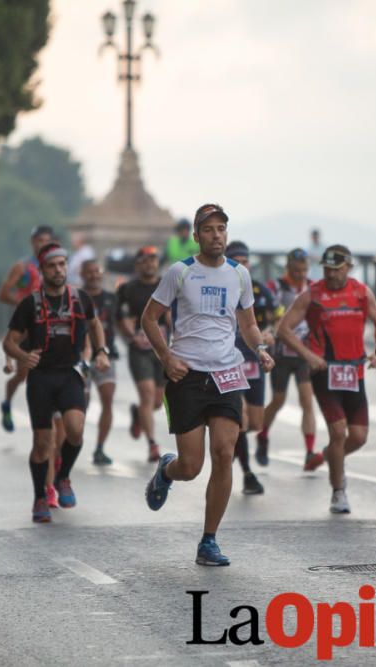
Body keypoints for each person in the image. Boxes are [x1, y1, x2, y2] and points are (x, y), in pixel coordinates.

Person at [142, 203, 274, 566]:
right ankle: (167, 470)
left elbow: (246, 324)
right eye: (209, 229)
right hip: (186, 375)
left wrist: (259, 348)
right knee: (191, 467)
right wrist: (166, 358)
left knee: (224, 452)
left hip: (228, 374)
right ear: (197, 236)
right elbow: (149, 319)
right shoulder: (180, 273)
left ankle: (209, 540)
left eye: (222, 229)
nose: (217, 235)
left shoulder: (239, 274)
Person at [276, 244, 376, 513]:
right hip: (324, 373)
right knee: (338, 432)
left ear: (348, 268)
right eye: (326, 269)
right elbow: (284, 330)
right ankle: (339, 491)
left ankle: (327, 456)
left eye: (336, 269)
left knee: (359, 437)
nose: (331, 274)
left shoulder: (361, 292)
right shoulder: (312, 295)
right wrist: (308, 356)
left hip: (353, 372)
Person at [3, 243, 110, 522]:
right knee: (42, 443)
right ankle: (40, 495)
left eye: (62, 264)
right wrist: (23, 356)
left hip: (70, 374)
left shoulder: (80, 298)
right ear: (42, 270)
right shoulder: (30, 304)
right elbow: (9, 342)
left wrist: (101, 351)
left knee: (75, 431)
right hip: (41, 378)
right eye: (52, 266)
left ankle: (63, 477)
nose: (58, 270)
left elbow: (95, 323)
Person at [257, 248, 316, 468]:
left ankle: (310, 451)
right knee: (278, 401)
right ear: (288, 268)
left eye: (304, 270)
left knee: (307, 400)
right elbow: (266, 313)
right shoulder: (276, 287)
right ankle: (262, 436)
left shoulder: (312, 287)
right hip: (281, 353)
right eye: (296, 270)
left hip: (303, 352)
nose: (301, 274)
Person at [226, 241, 277, 495]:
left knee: (256, 422)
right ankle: (247, 474)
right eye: (236, 262)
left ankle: (233, 451)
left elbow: (277, 316)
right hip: (229, 359)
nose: (242, 267)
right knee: (241, 420)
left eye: (245, 262)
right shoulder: (221, 285)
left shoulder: (258, 288)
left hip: (254, 359)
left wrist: (270, 334)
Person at [0, 225, 56, 432]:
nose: (42, 245)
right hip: (26, 329)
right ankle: (7, 402)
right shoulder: (22, 267)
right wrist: (24, 303)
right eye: (38, 241)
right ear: (32, 243)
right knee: (23, 375)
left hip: (49, 328)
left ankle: (48, 422)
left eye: (46, 241)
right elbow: (3, 293)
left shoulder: (56, 267)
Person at [116, 245, 168, 462]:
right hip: (140, 350)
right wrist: (132, 336)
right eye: (145, 260)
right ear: (138, 265)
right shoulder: (128, 289)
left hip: (163, 349)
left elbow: (174, 314)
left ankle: (138, 414)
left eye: (153, 260)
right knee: (147, 394)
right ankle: (152, 444)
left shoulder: (167, 285)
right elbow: (122, 318)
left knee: (157, 401)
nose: (150, 264)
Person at [79, 259, 118, 466]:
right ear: (82, 274)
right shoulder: (76, 297)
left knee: (108, 399)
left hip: (105, 356)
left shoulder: (111, 299)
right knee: (81, 404)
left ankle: (100, 448)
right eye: (90, 272)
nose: (94, 275)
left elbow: (121, 321)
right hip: (81, 358)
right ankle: (73, 442)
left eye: (97, 271)